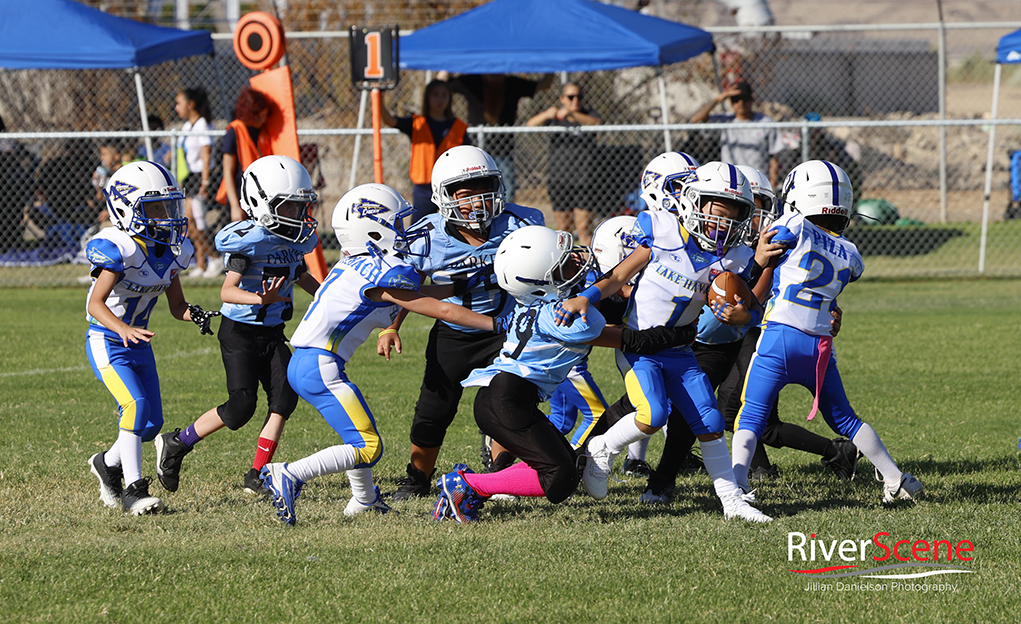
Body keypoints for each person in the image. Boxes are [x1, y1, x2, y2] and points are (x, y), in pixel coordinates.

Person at [259, 183, 505, 526]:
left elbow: (415, 292)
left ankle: (365, 500)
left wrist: (462, 285)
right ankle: (289, 473)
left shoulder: (360, 264)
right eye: (398, 223)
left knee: (358, 436)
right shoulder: (381, 271)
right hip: (318, 364)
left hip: (310, 363)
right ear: (373, 229)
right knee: (368, 446)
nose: (407, 230)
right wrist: (497, 324)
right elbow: (439, 309)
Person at [432, 225, 704, 523]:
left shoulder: (532, 305)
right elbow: (632, 340)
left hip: (505, 398)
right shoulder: (560, 316)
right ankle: (467, 485)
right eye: (565, 263)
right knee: (560, 479)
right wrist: (684, 332)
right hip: (506, 401)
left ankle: (471, 485)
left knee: (568, 465)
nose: (576, 262)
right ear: (541, 281)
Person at [555, 162, 772, 523]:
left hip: (681, 350)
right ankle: (602, 447)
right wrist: (587, 299)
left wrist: (742, 317)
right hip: (641, 347)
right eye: (718, 211)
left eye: (735, 215)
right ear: (693, 202)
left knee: (710, 420)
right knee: (653, 414)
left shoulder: (733, 256)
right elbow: (619, 275)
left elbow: (752, 307)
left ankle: (732, 501)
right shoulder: (661, 230)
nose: (725, 223)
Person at [732, 160, 924, 505]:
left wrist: (756, 261)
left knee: (750, 416)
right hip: (819, 347)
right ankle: (895, 479)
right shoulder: (851, 253)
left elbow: (768, 258)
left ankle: (736, 488)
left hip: (779, 338)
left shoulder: (792, 225)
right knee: (846, 420)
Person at [378, 145, 545, 502]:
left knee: (507, 402)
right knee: (433, 409)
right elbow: (408, 287)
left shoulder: (519, 223)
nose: (478, 202)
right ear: (443, 195)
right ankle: (417, 477)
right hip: (455, 333)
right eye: (466, 194)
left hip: (508, 329)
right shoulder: (426, 238)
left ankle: (500, 472)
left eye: (485, 190)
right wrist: (394, 326)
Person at [153, 155, 320, 497]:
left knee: (285, 399)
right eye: (290, 207)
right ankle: (176, 443)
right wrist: (261, 300)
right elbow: (226, 291)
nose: (298, 216)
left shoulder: (292, 242)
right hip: (241, 332)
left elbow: (303, 277)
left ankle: (257, 474)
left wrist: (331, 297)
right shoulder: (250, 240)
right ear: (263, 204)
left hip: (273, 333)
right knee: (241, 405)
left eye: (300, 207)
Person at [85, 161, 219, 515]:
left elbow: (177, 306)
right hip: (108, 339)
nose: (165, 216)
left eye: (167, 206)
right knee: (134, 407)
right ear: (126, 208)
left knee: (150, 424)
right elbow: (95, 304)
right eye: (154, 208)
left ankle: (105, 463)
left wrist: (196, 314)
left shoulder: (171, 251)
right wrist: (122, 328)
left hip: (138, 343)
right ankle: (134, 489)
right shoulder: (120, 248)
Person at [439, 72, 554, 202]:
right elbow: (440, 84)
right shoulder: (471, 81)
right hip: (476, 151)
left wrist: (551, 61)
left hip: (503, 151)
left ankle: (504, 219)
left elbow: (544, 84)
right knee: (475, 190)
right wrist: (447, 66)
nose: (494, 76)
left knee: (506, 191)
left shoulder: (512, 83)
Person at [381, 80, 470, 222]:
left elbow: (467, 155)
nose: (439, 99)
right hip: (423, 188)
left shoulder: (458, 126)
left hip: (450, 186)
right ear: (427, 98)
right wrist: (378, 98)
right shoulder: (417, 123)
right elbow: (389, 120)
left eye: (443, 95)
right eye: (435, 95)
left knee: (456, 225)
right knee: (419, 227)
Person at [525, 82, 602, 245]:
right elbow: (529, 125)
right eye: (570, 97)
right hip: (559, 179)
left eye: (579, 97)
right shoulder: (556, 119)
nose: (575, 100)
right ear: (562, 99)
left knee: (584, 229)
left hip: (584, 179)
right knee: (563, 229)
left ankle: (587, 264)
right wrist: (547, 114)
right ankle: (566, 265)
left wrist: (572, 114)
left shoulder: (588, 114)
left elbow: (596, 123)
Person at [690, 81, 785, 188]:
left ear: (751, 100)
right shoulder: (725, 121)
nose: (740, 103)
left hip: (757, 182)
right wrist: (718, 99)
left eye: (744, 98)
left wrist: (771, 186)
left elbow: (774, 157)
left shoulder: (766, 122)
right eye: (735, 99)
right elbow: (696, 119)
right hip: (731, 183)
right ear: (731, 102)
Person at [174, 86, 223, 279]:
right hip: (189, 177)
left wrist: (205, 181)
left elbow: (205, 154)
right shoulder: (188, 126)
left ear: (191, 104)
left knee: (197, 222)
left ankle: (215, 257)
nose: (176, 108)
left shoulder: (203, 124)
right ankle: (202, 264)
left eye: (179, 103)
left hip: (201, 177)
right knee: (189, 222)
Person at [216, 86, 272, 224]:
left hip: (261, 195)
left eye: (265, 115)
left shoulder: (264, 132)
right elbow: (227, 171)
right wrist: (235, 206)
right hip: (241, 195)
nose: (263, 120)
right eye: (259, 116)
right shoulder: (234, 132)